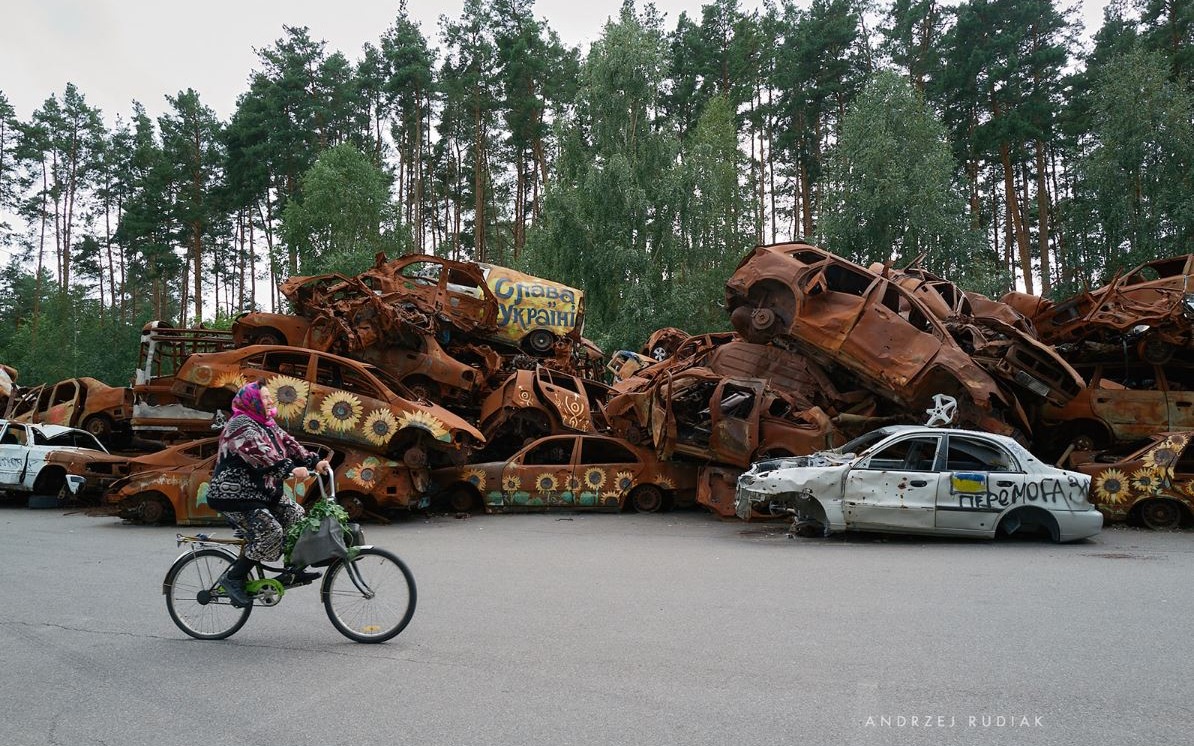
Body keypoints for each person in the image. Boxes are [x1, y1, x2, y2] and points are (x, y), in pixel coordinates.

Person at [207, 379, 330, 607]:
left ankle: (292, 570)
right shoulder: (240, 425)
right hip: (235, 495)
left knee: (296, 515)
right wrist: (290, 469)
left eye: (269, 397)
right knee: (270, 532)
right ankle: (233, 578)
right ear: (252, 401)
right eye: (264, 397)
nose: (270, 400)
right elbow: (261, 453)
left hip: (263, 493)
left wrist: (314, 461)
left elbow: (290, 444)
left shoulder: (267, 423)